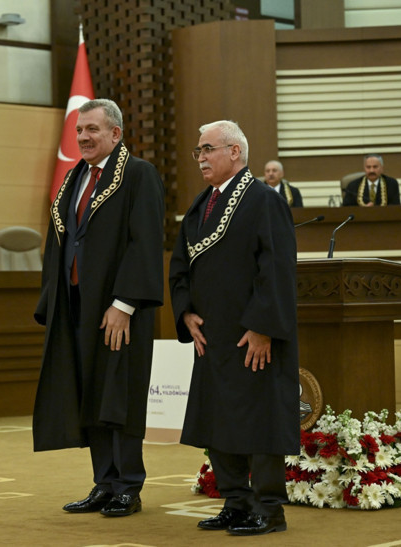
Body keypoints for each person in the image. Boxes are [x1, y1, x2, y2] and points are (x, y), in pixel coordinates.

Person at [33, 99, 165, 517]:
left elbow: (144, 242)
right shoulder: (73, 179)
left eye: (92, 129)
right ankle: (104, 483)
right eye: (79, 131)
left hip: (118, 310)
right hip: (76, 306)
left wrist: (124, 304)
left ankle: (128, 484)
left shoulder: (138, 175)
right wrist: (53, 301)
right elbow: (62, 242)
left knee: (118, 395)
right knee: (89, 394)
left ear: (115, 134)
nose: (84, 137)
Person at [169, 120, 299, 536]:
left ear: (235, 153)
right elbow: (180, 263)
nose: (201, 157)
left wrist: (262, 326)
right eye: (199, 151)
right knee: (218, 419)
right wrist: (186, 311)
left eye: (208, 149)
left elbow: (276, 267)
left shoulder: (262, 199)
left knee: (258, 421)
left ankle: (268, 508)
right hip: (211, 335)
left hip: (250, 335)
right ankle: (236, 502)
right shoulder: (200, 204)